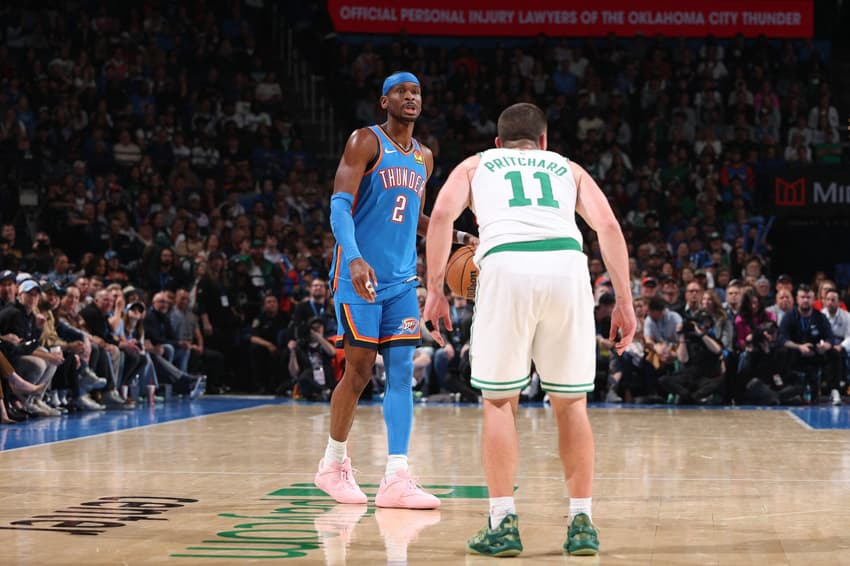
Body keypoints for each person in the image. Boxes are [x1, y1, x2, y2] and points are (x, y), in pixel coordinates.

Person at [423, 102, 635, 557]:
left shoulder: (476, 164)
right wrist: (625, 301)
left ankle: (503, 522)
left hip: (505, 265)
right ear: (543, 141)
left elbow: (440, 218)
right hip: (567, 266)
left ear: (498, 142)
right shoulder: (568, 167)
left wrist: (435, 290)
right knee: (571, 403)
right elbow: (608, 225)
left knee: (500, 401)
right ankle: (582, 522)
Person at [315, 71, 474, 510]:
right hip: (359, 277)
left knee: (402, 372)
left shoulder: (424, 157)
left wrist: (460, 237)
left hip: (403, 281)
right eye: (401, 92)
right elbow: (339, 207)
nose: (410, 97)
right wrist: (353, 257)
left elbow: (416, 219)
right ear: (384, 101)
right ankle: (332, 464)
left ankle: (397, 477)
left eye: (416, 92)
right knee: (360, 371)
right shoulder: (364, 141)